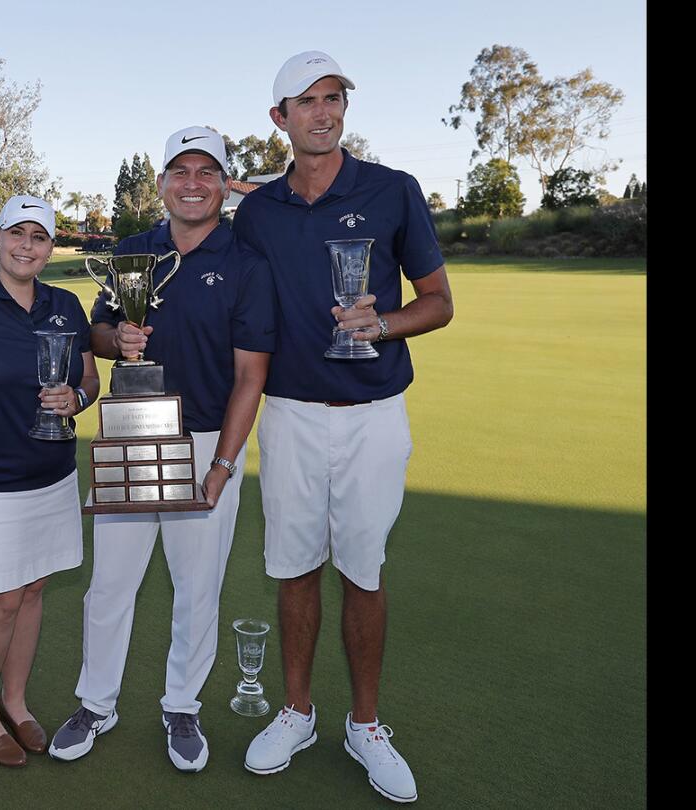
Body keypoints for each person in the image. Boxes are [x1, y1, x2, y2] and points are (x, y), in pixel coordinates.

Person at [233, 52, 454, 803]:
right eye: (308, 101)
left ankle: (365, 724)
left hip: (373, 415)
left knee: (363, 568)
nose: (325, 112)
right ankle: (297, 711)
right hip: (291, 415)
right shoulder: (258, 211)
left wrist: (383, 323)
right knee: (294, 566)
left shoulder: (393, 190)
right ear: (280, 119)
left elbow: (438, 301)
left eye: (334, 98)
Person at [48, 126, 274, 773]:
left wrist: (224, 465)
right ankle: (97, 702)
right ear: (162, 183)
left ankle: (182, 705)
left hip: (204, 439)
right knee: (110, 583)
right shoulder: (133, 252)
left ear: (225, 184)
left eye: (207, 171)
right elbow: (95, 330)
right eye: (181, 171)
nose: (193, 182)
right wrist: (115, 339)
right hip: (132, 429)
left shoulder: (245, 262)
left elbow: (251, 375)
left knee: (196, 586)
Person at [0, 195, 100, 767]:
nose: (26, 245)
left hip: (50, 473)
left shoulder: (64, 304)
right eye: (16, 233)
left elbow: (88, 378)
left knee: (32, 591)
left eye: (38, 236)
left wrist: (74, 399)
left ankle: (17, 701)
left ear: (50, 246)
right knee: (0, 597)